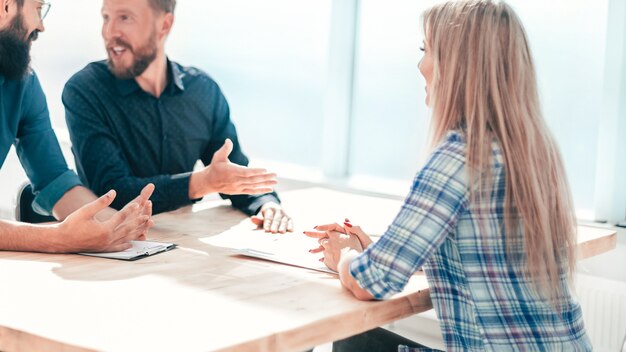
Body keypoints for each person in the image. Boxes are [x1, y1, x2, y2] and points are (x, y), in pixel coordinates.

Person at [305, 0, 591, 350]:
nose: (420, 65)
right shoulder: (535, 152)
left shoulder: (459, 157)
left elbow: (370, 283)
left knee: (354, 342)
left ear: (458, 65)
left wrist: (344, 258)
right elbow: (484, 262)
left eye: (427, 50)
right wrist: (378, 250)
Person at [62, 0, 293, 233]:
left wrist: (267, 204)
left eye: (125, 18)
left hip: (180, 243)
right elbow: (111, 194)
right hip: (112, 250)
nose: (109, 32)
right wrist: (202, 183)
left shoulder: (203, 91)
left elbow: (232, 172)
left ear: (164, 25)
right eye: (106, 17)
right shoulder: (85, 91)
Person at [0, 0, 154, 253]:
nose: (41, 25)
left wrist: (116, 222)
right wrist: (55, 238)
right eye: (38, 9)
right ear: (6, 7)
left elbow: (55, 180)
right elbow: (56, 235)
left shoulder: (23, 85)